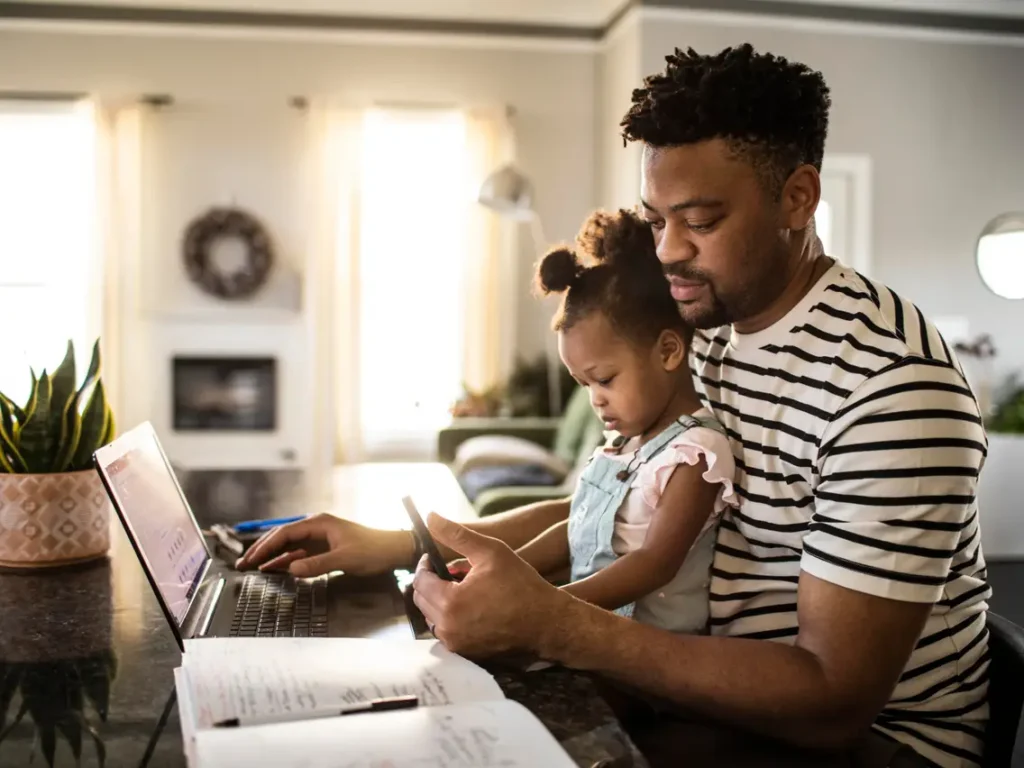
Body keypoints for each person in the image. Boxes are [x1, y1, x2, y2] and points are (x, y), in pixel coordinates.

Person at [238, 44, 990, 768]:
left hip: (863, 747)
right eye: (658, 220)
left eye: (700, 222)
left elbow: (831, 702)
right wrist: (410, 547)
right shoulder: (711, 331)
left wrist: (557, 624)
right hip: (699, 694)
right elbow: (622, 503)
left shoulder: (891, 385)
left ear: (798, 197)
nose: (666, 251)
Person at [466, 209, 738, 632]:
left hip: (648, 655)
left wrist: (541, 607)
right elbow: (574, 528)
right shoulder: (624, 446)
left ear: (668, 351)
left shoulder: (696, 453)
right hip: (587, 633)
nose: (596, 400)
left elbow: (654, 565)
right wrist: (493, 573)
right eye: (584, 385)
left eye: (605, 380)